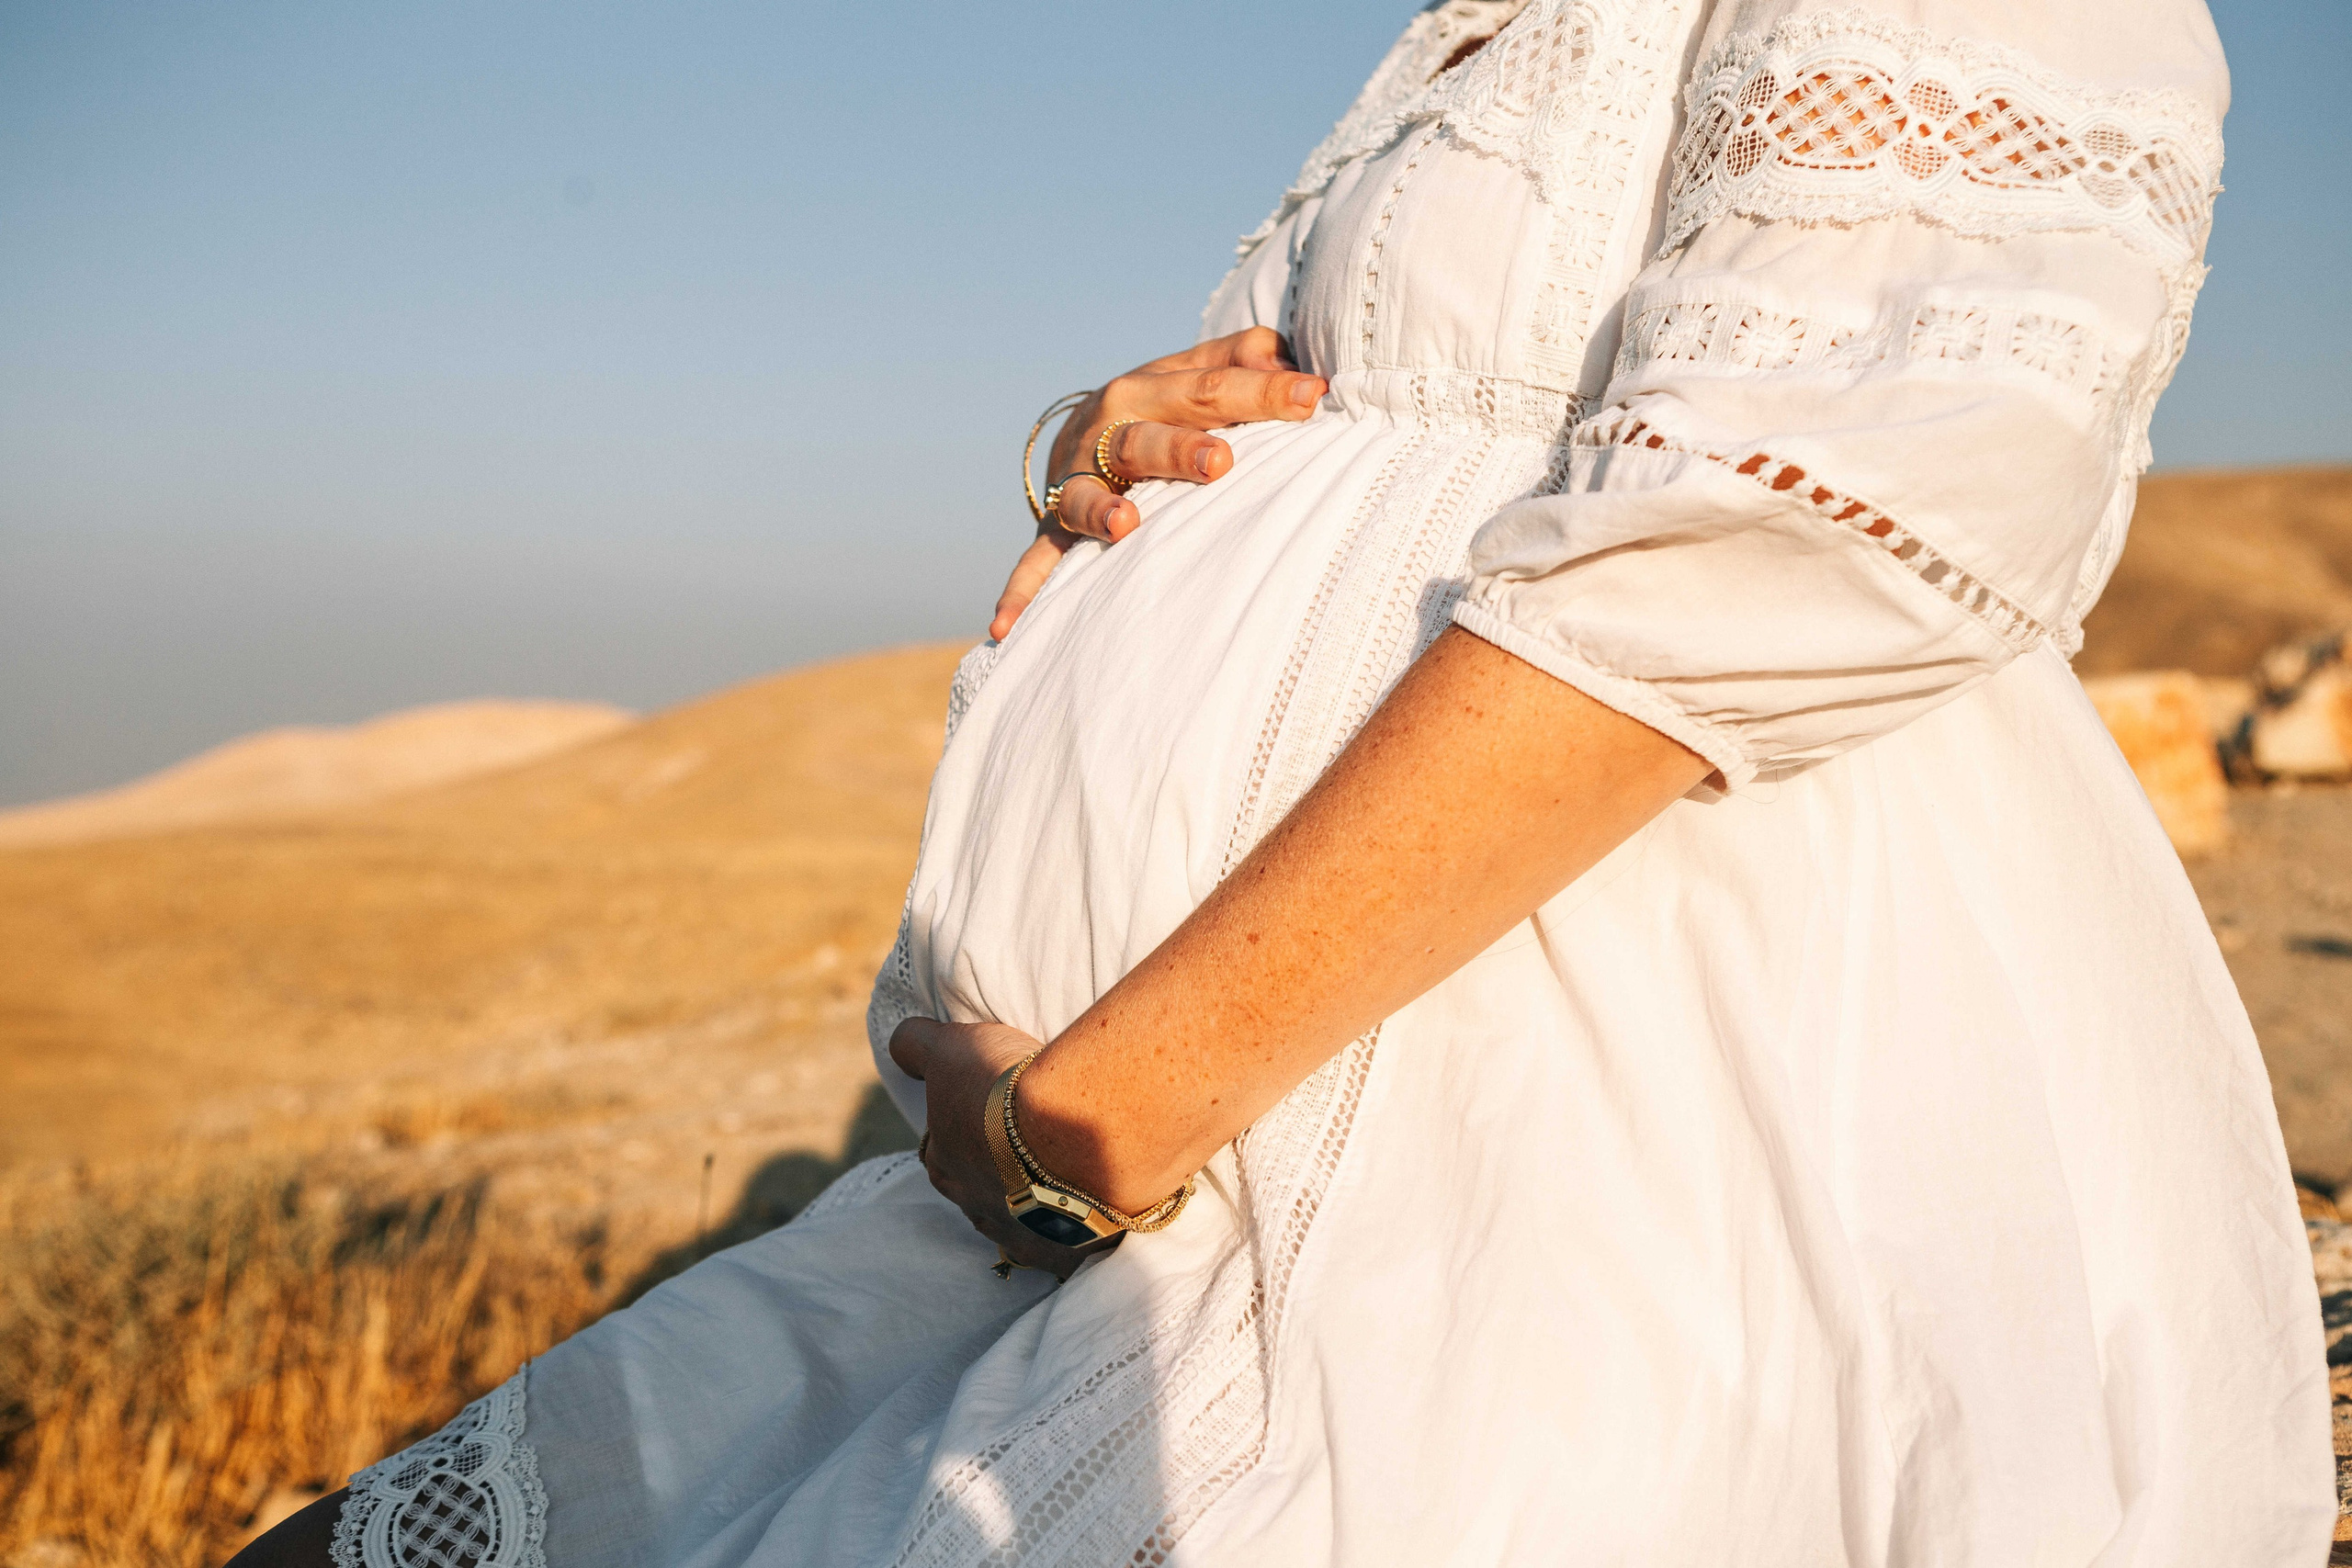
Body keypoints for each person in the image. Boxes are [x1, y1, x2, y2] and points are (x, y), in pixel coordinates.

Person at [238, 1, 2335, 1563]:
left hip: (1547, 1114)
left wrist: (1098, 1108)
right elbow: (1408, 407)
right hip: (1147, 1147)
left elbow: (1829, 513)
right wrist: (1125, 461)